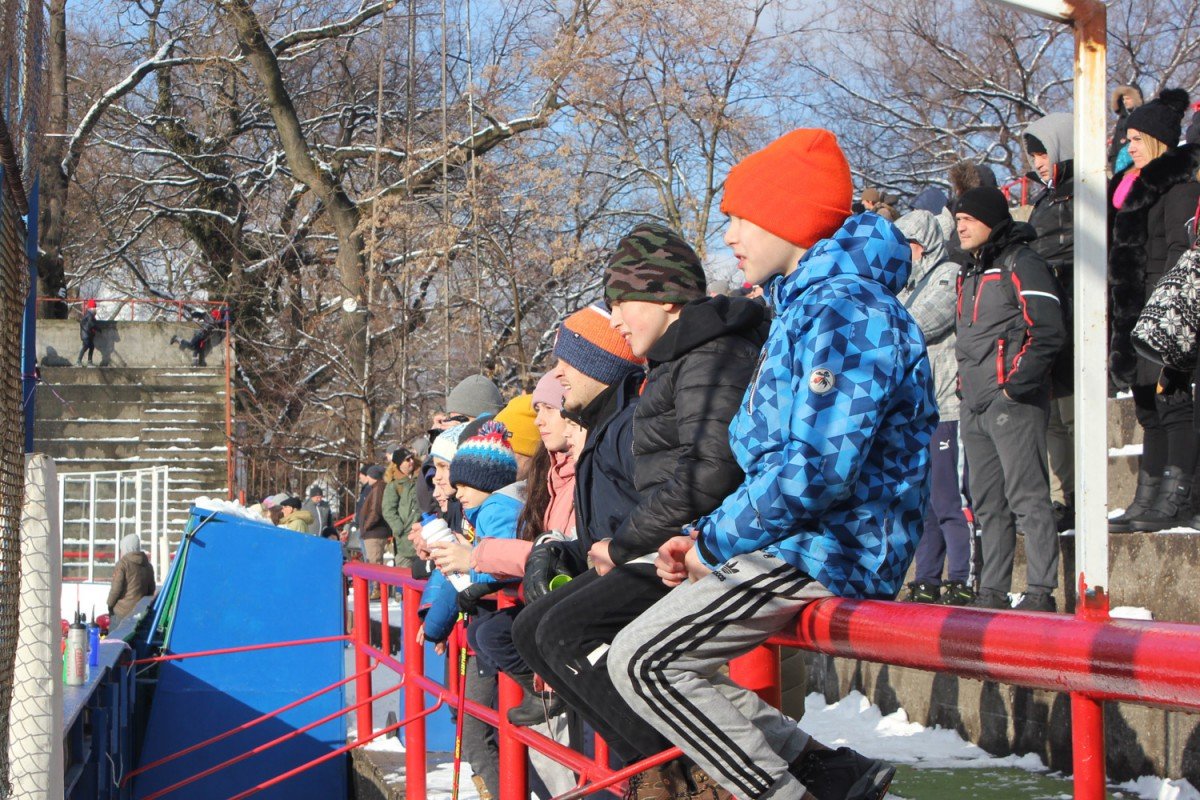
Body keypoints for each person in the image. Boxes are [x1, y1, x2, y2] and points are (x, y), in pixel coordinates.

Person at [606, 128, 935, 800]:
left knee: (643, 662)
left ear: (791, 217)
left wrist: (713, 540)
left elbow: (817, 467)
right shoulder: (805, 306)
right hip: (797, 541)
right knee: (644, 656)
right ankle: (828, 771)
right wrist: (705, 539)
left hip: (832, 544)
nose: (728, 235)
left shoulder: (847, 309)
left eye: (741, 217)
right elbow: (773, 463)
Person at [517, 223, 768, 798]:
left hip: (686, 551)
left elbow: (708, 471)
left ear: (665, 298)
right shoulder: (663, 375)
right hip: (663, 546)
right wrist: (569, 551)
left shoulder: (702, 359)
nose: (617, 321)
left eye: (621, 304)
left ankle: (681, 771)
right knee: (537, 629)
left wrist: (623, 544)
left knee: (562, 632)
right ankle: (665, 769)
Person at [952, 187, 1065, 612]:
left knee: (1028, 498)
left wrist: (1014, 386)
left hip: (1012, 401)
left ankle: (1040, 591)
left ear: (989, 220)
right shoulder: (967, 271)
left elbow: (1048, 330)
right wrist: (965, 390)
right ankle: (992, 591)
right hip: (973, 403)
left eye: (968, 219)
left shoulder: (1022, 262)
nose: (960, 226)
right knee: (987, 505)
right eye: (957, 219)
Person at [1109, 89, 1200, 533]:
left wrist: (1166, 313)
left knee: (1172, 403)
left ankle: (1176, 496)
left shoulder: (1179, 189)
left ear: (1158, 140)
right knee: (1147, 408)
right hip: (1136, 313)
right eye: (1127, 140)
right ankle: (1146, 497)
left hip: (1166, 315)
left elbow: (1181, 254)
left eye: (1136, 139)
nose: (1129, 147)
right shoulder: (1138, 191)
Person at [418, 421, 522, 800]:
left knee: (478, 729)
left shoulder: (493, 510)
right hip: (478, 626)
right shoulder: (476, 511)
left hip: (491, 626)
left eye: (447, 471)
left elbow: (497, 562)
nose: (443, 483)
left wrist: (469, 566)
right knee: (473, 723)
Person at [896, 210, 974, 606]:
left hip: (947, 408)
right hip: (918, 414)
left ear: (923, 245)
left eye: (906, 245)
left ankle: (962, 578)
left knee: (949, 502)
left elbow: (920, 323)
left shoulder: (948, 275)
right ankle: (926, 578)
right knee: (925, 507)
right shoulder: (904, 287)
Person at [1025, 112, 1077, 533]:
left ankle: (1085, 491)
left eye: (1043, 153)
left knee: (1074, 413)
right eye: (1033, 156)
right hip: (1048, 315)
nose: (1038, 163)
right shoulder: (1044, 199)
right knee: (1055, 418)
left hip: (1079, 311)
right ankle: (1064, 496)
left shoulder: (1086, 190)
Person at [354, 464, 390, 598]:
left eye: (369, 475)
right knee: (373, 560)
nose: (367, 478)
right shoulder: (375, 488)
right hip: (372, 531)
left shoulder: (378, 488)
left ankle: (377, 589)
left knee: (375, 561)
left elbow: (375, 511)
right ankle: (376, 589)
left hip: (374, 532)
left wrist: (366, 526)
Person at [382, 449, 420, 568]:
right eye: (407, 460)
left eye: (412, 458)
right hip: (404, 539)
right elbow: (388, 510)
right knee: (404, 574)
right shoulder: (394, 484)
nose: (411, 461)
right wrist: (399, 528)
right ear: (399, 464)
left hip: (423, 534)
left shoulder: (421, 479)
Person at [108, 534, 156, 627]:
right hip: (140, 613)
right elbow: (151, 590)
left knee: (115, 635)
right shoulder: (148, 565)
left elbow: (116, 589)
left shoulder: (123, 564)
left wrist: (110, 605)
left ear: (126, 548)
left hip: (122, 613)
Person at [1110, 84, 1144, 174]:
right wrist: (1114, 167)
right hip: (1120, 169)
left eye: (1128, 99)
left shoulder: (1145, 117)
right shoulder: (1121, 120)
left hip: (1140, 168)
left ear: (1136, 98)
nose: (1125, 102)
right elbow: (1114, 147)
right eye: (1123, 99)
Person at [77, 299, 99, 367]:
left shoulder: (90, 314)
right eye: (94, 307)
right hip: (86, 335)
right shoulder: (89, 315)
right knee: (85, 347)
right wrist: (97, 328)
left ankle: (89, 362)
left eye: (95, 307)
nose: (95, 309)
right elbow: (90, 324)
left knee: (91, 347)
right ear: (91, 308)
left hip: (88, 334)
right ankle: (79, 361)